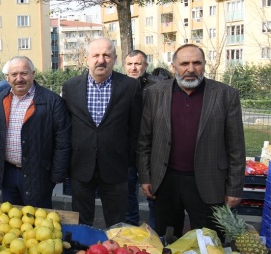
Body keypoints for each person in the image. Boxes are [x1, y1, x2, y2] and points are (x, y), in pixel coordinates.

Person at [137, 44, 245, 238]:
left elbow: (236, 147)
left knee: (209, 244)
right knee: (166, 242)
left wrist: (234, 188)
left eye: (196, 63)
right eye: (184, 63)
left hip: (209, 183)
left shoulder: (226, 95)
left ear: (204, 65)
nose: (190, 69)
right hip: (165, 181)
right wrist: (145, 176)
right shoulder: (154, 94)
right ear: (174, 67)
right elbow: (144, 140)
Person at [61, 38, 142, 227]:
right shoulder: (70, 87)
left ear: (114, 58)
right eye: (96, 55)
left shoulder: (130, 87)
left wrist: (129, 160)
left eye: (106, 55)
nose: (101, 60)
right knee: (81, 222)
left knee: (117, 224)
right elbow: (66, 127)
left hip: (116, 167)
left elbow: (136, 129)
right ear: (87, 59)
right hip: (81, 166)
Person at [0, 56, 71, 208]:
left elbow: (63, 141)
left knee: (38, 222)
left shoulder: (52, 101)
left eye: (24, 73)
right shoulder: (0, 100)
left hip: (39, 174)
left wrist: (56, 175)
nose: (19, 78)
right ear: (7, 78)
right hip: (8, 174)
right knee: (10, 222)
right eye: (14, 74)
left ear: (33, 74)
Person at [124, 50, 162, 227]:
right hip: (128, 151)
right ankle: (131, 229)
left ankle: (155, 231)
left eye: (137, 64)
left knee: (153, 193)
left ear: (145, 66)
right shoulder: (120, 85)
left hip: (152, 149)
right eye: (130, 64)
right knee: (128, 193)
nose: (133, 68)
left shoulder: (157, 87)